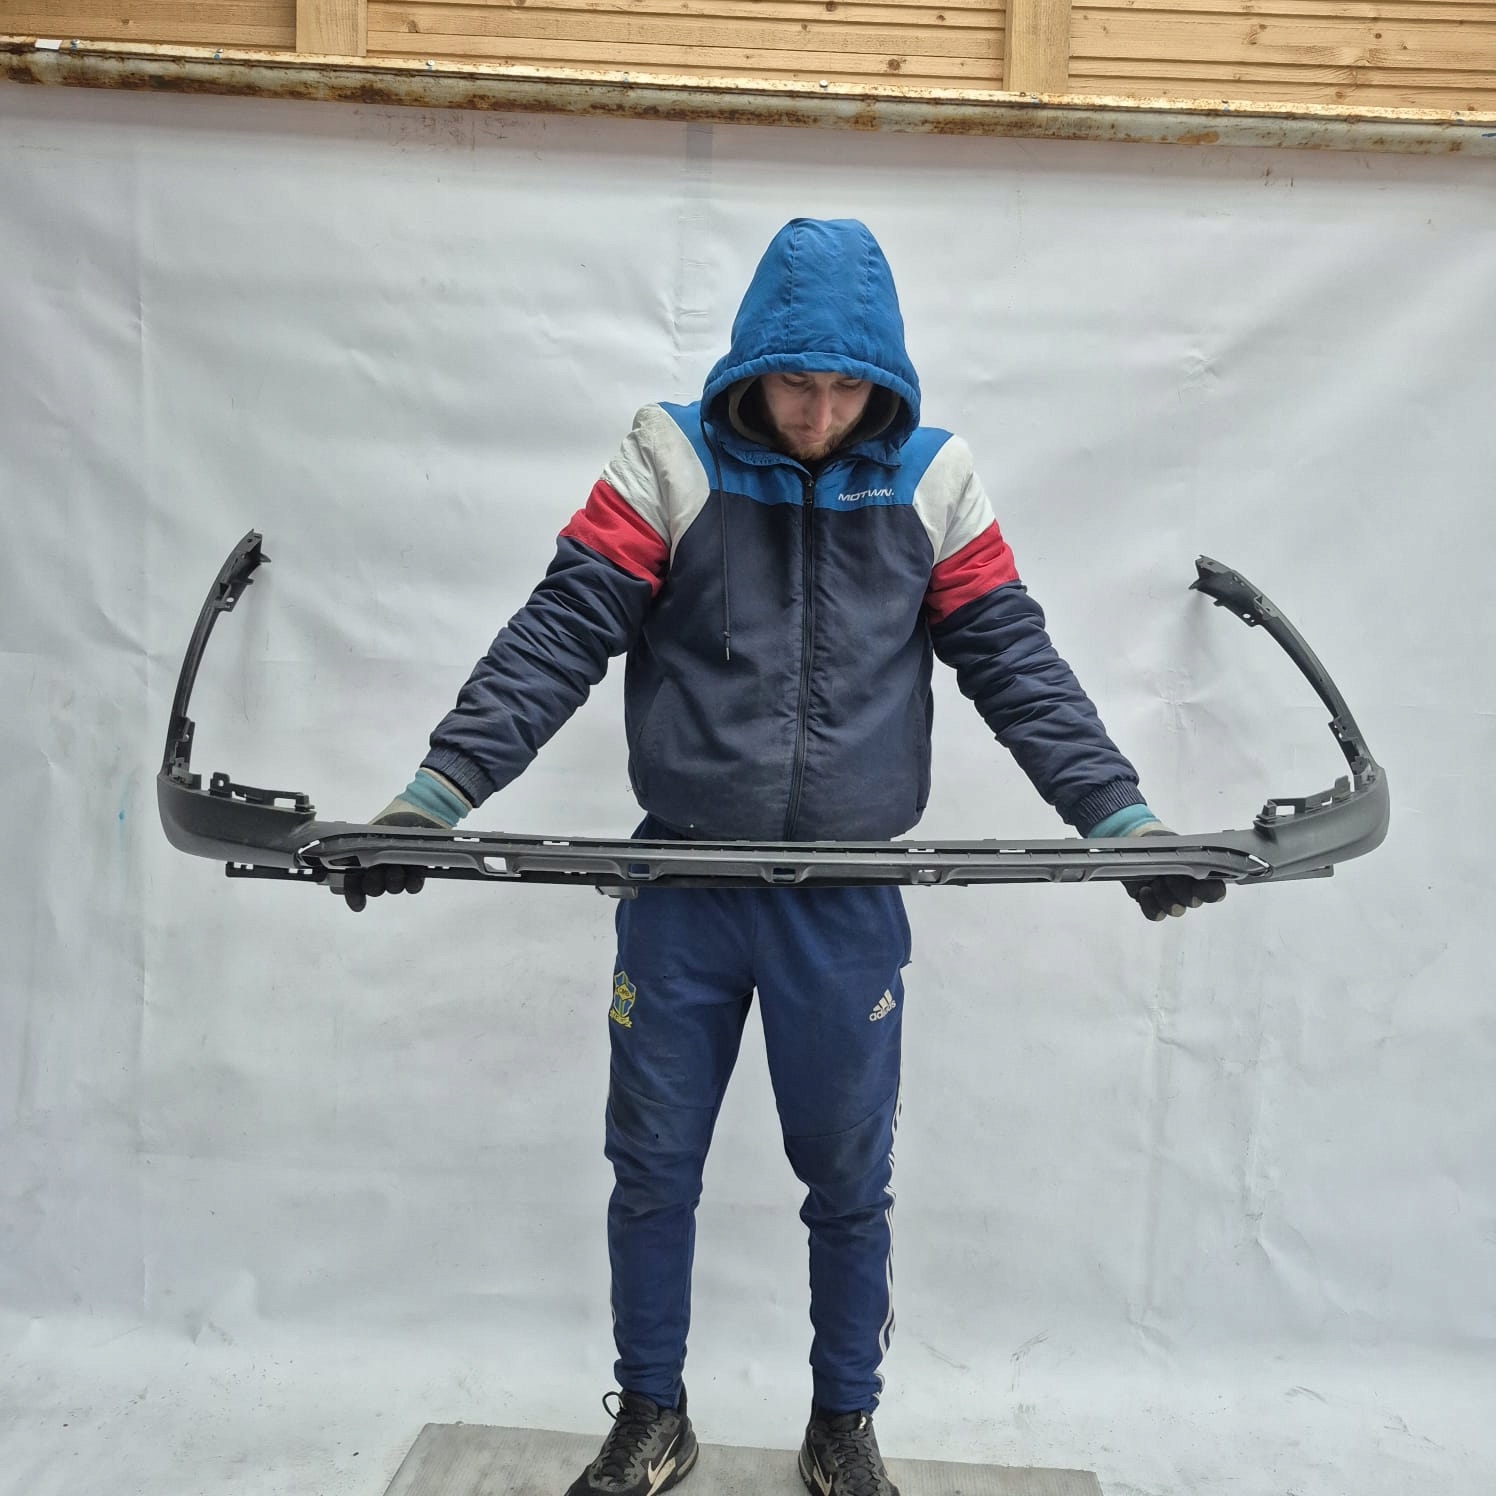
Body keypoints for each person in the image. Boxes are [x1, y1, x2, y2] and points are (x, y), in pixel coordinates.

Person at [345, 218, 1225, 1496]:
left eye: (845, 389)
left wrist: (1119, 821)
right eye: (794, 384)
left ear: (884, 381)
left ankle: (841, 1423)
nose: (817, 416)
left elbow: (1012, 659)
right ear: (750, 365)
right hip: (683, 890)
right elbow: (559, 631)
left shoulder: (931, 477)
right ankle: (651, 1412)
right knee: (652, 1165)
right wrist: (433, 798)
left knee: (849, 1179)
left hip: (844, 900)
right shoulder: (669, 455)